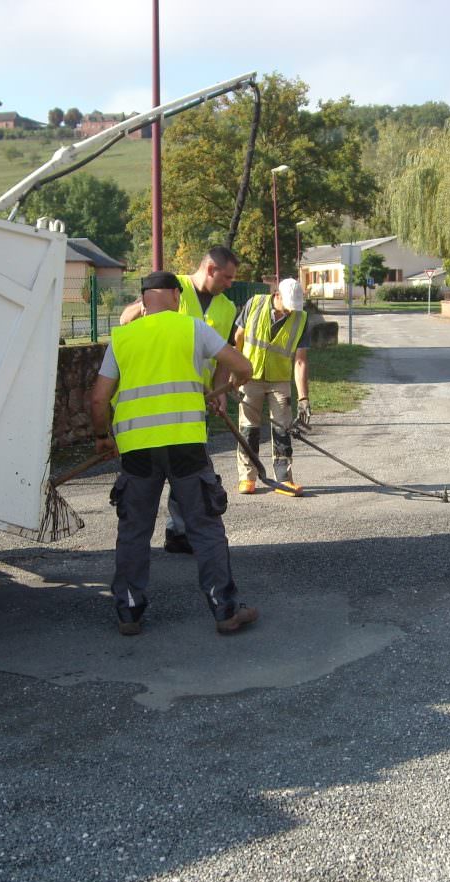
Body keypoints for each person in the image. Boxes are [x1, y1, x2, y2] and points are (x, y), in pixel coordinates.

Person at [90, 271, 258, 636]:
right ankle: (226, 611)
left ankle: (129, 614)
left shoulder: (121, 337)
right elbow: (243, 366)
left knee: (134, 531)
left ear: (144, 299)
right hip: (185, 446)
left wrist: (103, 436)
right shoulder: (192, 328)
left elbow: (99, 398)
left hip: (137, 451)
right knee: (205, 528)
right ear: (173, 295)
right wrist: (233, 383)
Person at [118, 246, 241, 554]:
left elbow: (224, 356)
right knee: (166, 469)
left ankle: (179, 529)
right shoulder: (173, 287)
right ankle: (176, 529)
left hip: (195, 400)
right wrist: (143, 309)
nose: (230, 283)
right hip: (158, 397)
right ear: (210, 269)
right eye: (227, 277)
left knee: (188, 468)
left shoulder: (227, 307)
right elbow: (126, 321)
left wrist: (219, 392)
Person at [233, 277, 311, 494]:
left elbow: (301, 360)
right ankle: (247, 477)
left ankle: (283, 479)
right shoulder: (254, 304)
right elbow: (238, 337)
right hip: (250, 377)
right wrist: (236, 369)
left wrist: (303, 398)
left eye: (293, 309)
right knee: (248, 428)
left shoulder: (301, 318)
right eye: (286, 307)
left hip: (279, 380)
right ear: (276, 296)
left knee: (283, 428)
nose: (289, 313)